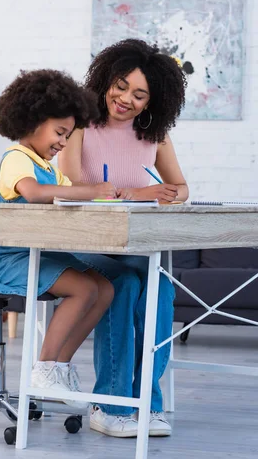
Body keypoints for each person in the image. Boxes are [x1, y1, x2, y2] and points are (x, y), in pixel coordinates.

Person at [59, 39, 189, 435]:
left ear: (152, 101)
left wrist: (165, 194)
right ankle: (109, 404)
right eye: (120, 85)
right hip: (80, 244)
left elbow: (180, 188)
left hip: (131, 246)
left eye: (139, 94)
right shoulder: (79, 123)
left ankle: (146, 405)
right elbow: (72, 182)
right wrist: (129, 192)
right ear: (105, 80)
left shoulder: (155, 136)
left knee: (161, 290)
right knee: (124, 284)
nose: (125, 99)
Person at [0, 69, 117, 410]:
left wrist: (110, 195)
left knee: (104, 288)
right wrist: (91, 190)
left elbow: (67, 193)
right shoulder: (16, 159)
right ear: (33, 121)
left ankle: (59, 367)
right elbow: (35, 193)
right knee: (83, 289)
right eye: (59, 132)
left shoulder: (49, 167)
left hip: (33, 256)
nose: (63, 143)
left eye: (68, 135)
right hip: (3, 260)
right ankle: (44, 367)